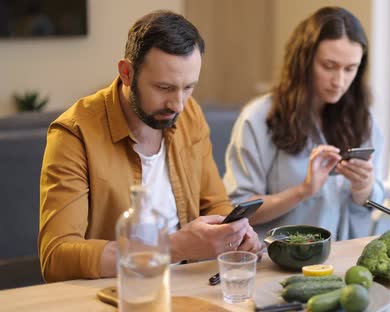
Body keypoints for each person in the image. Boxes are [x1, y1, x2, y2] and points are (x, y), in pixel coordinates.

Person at [38, 10, 262, 283]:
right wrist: (173, 247)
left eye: (189, 87)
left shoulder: (189, 114)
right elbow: (56, 257)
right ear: (126, 73)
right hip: (114, 294)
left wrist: (235, 233)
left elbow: (214, 202)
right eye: (164, 87)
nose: (178, 104)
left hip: (189, 286)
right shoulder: (75, 134)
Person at [223, 7, 387, 240]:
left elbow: (372, 203)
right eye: (329, 66)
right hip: (275, 260)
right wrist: (303, 191)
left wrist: (364, 187)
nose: (339, 81)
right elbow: (238, 211)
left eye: (350, 69)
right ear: (304, 61)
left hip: (341, 257)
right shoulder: (258, 118)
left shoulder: (363, 119)